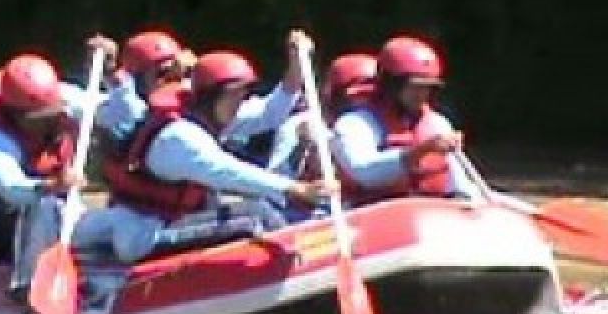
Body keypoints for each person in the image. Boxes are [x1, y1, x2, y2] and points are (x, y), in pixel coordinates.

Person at [76, 31, 335, 264]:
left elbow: (271, 112)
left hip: (173, 219)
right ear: (212, 97)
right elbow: (224, 170)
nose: (239, 105)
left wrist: (297, 66)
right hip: (146, 236)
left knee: (261, 209)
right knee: (254, 219)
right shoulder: (176, 136)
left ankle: (310, 237)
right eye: (234, 97)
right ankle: (288, 267)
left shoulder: (204, 113)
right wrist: (291, 188)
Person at [0, 52, 91, 301]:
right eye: (40, 119)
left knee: (69, 213)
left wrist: (115, 76)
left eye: (54, 113)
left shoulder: (65, 100)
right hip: (3, 221)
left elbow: (111, 110)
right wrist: (50, 186)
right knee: (43, 204)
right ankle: (28, 287)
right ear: (15, 114)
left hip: (59, 212)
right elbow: (10, 187)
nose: (52, 121)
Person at [332, 35, 479, 204]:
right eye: (415, 87)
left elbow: (460, 184)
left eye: (427, 88)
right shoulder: (354, 124)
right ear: (392, 84)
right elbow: (364, 173)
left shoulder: (438, 124)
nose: (422, 95)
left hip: (430, 215)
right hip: (372, 215)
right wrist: (419, 152)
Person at [266, 52, 377, 221]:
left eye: (369, 98)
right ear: (333, 94)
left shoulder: (376, 126)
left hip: (366, 210)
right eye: (355, 98)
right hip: (314, 215)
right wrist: (302, 149)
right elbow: (276, 183)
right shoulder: (300, 126)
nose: (361, 104)